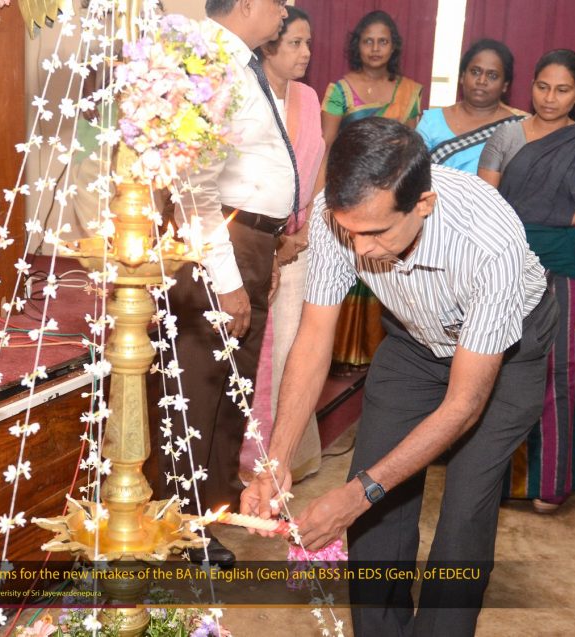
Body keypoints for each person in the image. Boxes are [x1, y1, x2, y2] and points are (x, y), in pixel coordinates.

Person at [241, 117, 557, 637]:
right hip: (413, 343)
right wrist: (276, 463)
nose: (361, 249)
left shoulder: (488, 238)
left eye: (376, 233)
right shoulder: (335, 217)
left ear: (423, 204)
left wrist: (355, 496)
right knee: (373, 500)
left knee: (464, 510)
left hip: (506, 355)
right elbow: (314, 338)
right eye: (351, 232)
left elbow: (464, 405)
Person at [147, 0, 290, 569]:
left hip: (249, 241)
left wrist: (267, 247)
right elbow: (194, 188)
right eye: (278, 1)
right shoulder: (212, 63)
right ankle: (177, 525)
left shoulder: (240, 61)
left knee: (230, 389)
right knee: (197, 390)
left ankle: (208, 513)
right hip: (217, 247)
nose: (285, 10)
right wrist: (228, 281)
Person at [478, 48, 575, 514]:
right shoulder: (506, 135)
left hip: (564, 263)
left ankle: (549, 482)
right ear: (530, 85)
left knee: (561, 371)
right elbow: (485, 210)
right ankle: (494, 479)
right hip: (508, 262)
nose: (550, 98)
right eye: (542, 86)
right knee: (497, 366)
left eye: (562, 90)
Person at [242, 6, 325, 484]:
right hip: (252, 239)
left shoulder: (309, 97)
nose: (306, 52)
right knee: (255, 350)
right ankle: (246, 459)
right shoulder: (246, 92)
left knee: (292, 347)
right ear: (268, 46)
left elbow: (317, 166)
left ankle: (284, 456)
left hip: (300, 240)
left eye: (308, 43)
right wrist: (272, 242)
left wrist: (302, 233)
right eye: (295, 43)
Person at [321, 10, 423, 374]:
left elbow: (411, 149)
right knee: (346, 265)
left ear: (394, 47)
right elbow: (327, 146)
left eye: (383, 41)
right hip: (348, 191)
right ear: (357, 46)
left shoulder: (410, 91)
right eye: (368, 41)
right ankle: (338, 352)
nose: (375, 48)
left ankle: (381, 353)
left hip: (390, 196)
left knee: (384, 265)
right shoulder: (339, 90)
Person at [416, 38, 526, 173]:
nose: (481, 81)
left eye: (492, 76)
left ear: (505, 85)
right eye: (475, 72)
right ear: (462, 77)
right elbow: (412, 172)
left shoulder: (517, 128)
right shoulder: (432, 121)